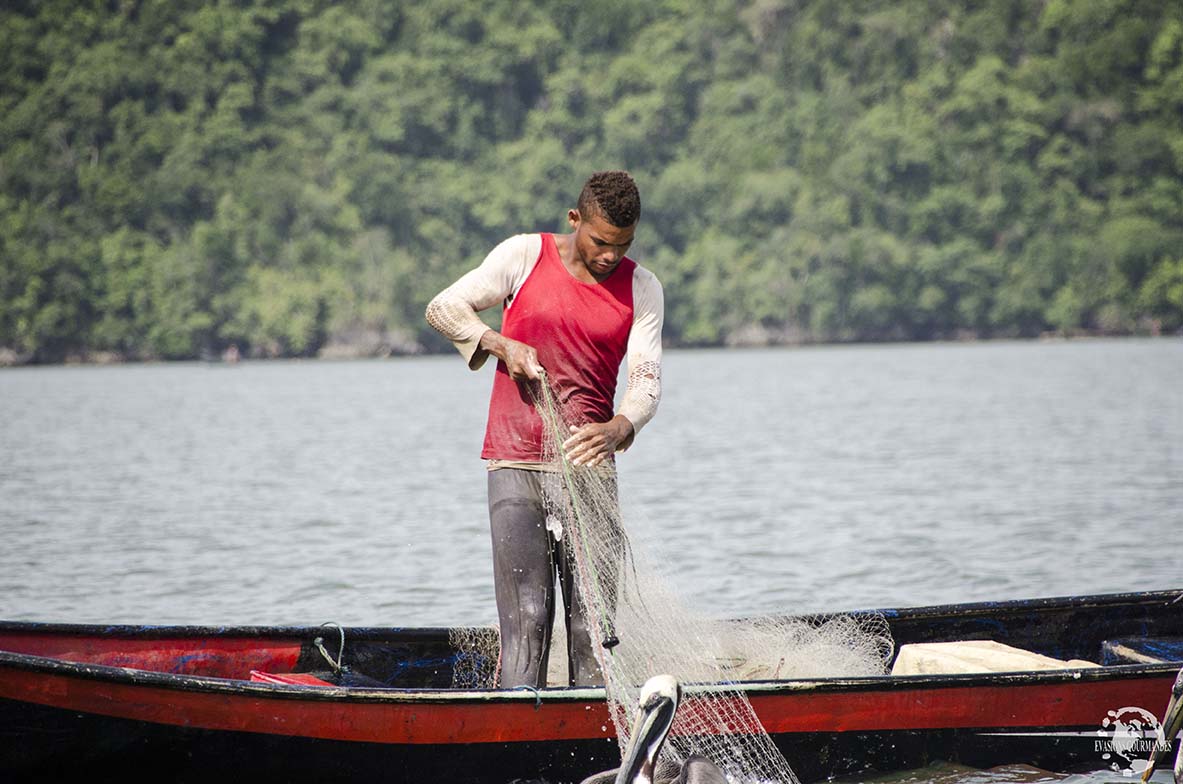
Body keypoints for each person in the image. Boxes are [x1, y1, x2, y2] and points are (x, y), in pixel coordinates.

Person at [425, 170, 663, 688]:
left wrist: (619, 426)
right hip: (514, 463)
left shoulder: (643, 288)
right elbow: (442, 308)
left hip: (590, 470)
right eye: (600, 241)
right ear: (575, 220)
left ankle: (595, 744)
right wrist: (500, 343)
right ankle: (520, 736)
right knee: (528, 620)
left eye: (622, 246)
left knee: (593, 631)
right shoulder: (523, 256)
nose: (609, 256)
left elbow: (646, 381)